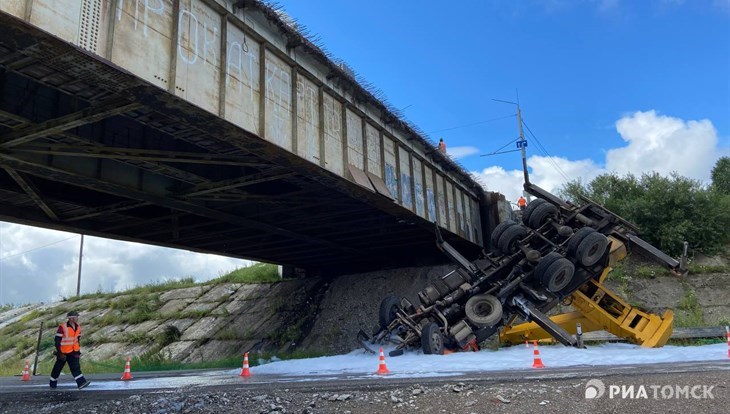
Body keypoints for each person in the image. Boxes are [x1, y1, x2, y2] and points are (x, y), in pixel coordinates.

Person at [50, 311, 90, 389]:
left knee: (75, 367)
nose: (77, 318)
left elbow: (77, 339)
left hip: (73, 351)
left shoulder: (78, 327)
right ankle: (52, 383)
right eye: (76, 317)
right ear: (71, 318)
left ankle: (81, 383)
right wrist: (60, 353)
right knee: (57, 368)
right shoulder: (63, 327)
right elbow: (57, 340)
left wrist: (78, 350)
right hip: (63, 352)